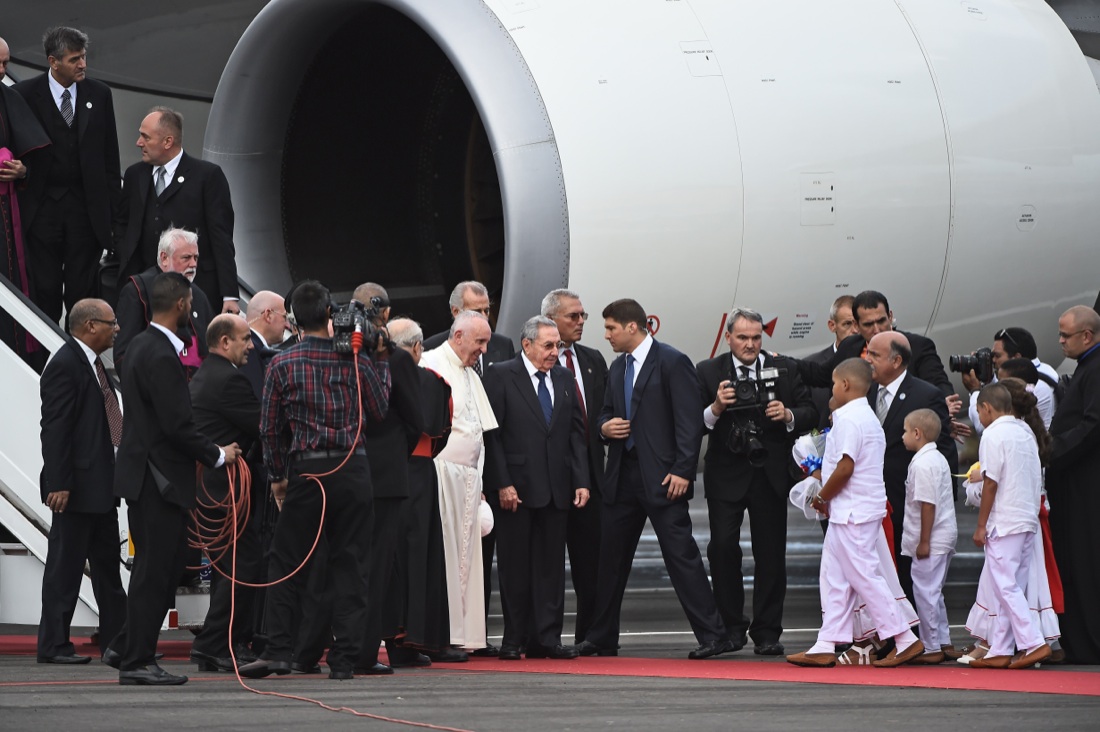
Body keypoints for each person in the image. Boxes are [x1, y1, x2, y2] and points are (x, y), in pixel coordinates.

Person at [240, 280, 390, 680]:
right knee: (351, 563)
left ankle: (279, 650)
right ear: (328, 314)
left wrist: (277, 476)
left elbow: (269, 429)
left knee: (286, 561)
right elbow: (379, 411)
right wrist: (380, 358)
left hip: (308, 471)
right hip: (353, 468)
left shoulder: (281, 363)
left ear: (294, 320)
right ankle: (344, 660)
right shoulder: (356, 359)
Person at [578, 299, 734, 660]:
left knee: (681, 557)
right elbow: (604, 412)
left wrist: (682, 470)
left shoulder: (672, 361)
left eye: (611, 328)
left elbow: (688, 422)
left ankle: (714, 635)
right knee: (610, 560)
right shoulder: (618, 367)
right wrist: (604, 427)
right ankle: (601, 637)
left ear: (632, 327)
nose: (606, 335)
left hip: (664, 477)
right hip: (623, 477)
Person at [104, 272, 240, 686]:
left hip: (148, 477)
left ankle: (128, 648)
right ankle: (136, 660)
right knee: (155, 572)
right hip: (158, 480)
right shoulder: (161, 354)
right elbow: (177, 425)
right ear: (181, 305)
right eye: (191, 305)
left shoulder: (140, 346)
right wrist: (218, 454)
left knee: (160, 568)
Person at [786, 358, 925, 668]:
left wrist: (822, 495)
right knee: (834, 577)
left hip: (853, 512)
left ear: (845, 384)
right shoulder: (866, 417)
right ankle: (826, 642)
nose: (832, 389)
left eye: (834, 384)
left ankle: (905, 638)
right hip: (852, 510)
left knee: (864, 577)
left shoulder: (850, 419)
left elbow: (845, 467)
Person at [695, 307, 817, 656]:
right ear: (728, 337)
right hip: (725, 474)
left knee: (771, 554)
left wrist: (788, 414)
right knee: (722, 548)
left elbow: (811, 412)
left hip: (769, 473)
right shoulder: (708, 371)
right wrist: (716, 407)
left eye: (756, 338)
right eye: (743, 337)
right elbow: (693, 423)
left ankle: (767, 632)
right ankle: (731, 629)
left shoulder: (784, 368)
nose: (750, 344)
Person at [484, 316, 589, 660]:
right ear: (526, 345)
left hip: (557, 488)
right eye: (548, 345)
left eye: (558, 345)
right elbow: (492, 436)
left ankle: (547, 638)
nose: (555, 352)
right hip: (515, 489)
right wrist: (502, 482)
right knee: (515, 568)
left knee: (551, 568)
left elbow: (575, 434)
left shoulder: (563, 377)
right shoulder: (501, 375)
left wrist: (581, 480)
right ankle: (514, 639)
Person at [422, 280, 514, 656]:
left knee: (469, 562)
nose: (484, 351)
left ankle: (467, 636)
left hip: (469, 481)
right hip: (441, 478)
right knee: (444, 562)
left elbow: (482, 432)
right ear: (458, 334)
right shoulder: (430, 364)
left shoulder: (470, 371)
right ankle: (442, 636)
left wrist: (483, 486)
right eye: (479, 343)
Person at [36, 298, 126, 664]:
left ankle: (118, 644)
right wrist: (59, 482)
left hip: (101, 489)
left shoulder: (93, 364)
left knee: (108, 573)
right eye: (111, 322)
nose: (116, 329)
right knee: (65, 571)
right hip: (75, 490)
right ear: (90, 326)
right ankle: (53, 646)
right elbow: (55, 429)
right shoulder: (65, 365)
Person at [13, 27, 123, 326]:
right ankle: (45, 348)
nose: (83, 64)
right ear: (53, 61)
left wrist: (114, 219)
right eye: (75, 59)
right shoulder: (23, 95)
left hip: (86, 213)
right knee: (44, 289)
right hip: (41, 210)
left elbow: (110, 159)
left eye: (84, 57)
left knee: (82, 292)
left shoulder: (99, 94)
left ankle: (79, 348)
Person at [350, 282, 427, 675]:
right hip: (387, 475)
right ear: (386, 313)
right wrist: (395, 452)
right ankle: (364, 652)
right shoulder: (396, 360)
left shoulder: (341, 353)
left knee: (347, 562)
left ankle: (335, 647)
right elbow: (416, 419)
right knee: (379, 567)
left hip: (346, 468)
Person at [187, 314, 262, 673]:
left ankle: (224, 643)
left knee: (228, 568)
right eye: (246, 339)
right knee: (242, 566)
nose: (251, 346)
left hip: (213, 488)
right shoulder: (228, 380)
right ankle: (214, 643)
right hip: (225, 490)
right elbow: (262, 424)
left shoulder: (206, 374)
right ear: (225, 342)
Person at [117, 107, 239, 313]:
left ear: (168, 141)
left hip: (196, 291)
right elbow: (122, 224)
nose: (139, 143)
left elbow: (222, 238)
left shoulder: (207, 176)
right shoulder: (134, 175)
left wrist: (230, 295)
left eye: (146, 137)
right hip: (143, 291)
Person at [865, 330, 956, 600]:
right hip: (870, 502)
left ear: (896, 361)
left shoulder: (926, 395)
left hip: (908, 504)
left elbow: (942, 450)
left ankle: (912, 626)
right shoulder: (864, 391)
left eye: (874, 355)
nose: (867, 360)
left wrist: (943, 500)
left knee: (908, 579)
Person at [541, 288, 607, 644]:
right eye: (573, 316)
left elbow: (603, 412)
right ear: (551, 320)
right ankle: (542, 636)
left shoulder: (593, 359)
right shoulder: (534, 363)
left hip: (590, 478)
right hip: (547, 479)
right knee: (546, 564)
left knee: (591, 564)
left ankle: (590, 637)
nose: (581, 322)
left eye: (583, 316)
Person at [968, 383, 1050, 669]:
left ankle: (1033, 642)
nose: (979, 418)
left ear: (986, 408)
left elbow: (991, 482)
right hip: (1027, 518)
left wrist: (981, 525)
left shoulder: (993, 434)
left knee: (1004, 585)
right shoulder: (1025, 431)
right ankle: (1001, 648)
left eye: (979, 412)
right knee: (1012, 585)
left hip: (1005, 520)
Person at [388, 317, 456, 660]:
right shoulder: (434, 383)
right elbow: (442, 432)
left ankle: (389, 636)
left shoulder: (373, 376)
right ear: (417, 347)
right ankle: (416, 640)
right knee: (420, 556)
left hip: (382, 472)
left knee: (389, 556)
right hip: (418, 473)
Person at [1047, 304, 1100, 664]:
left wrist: (1051, 451)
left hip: (1085, 486)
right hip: (1075, 483)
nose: (1061, 341)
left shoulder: (1095, 369)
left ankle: (1088, 644)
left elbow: (1093, 425)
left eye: (1066, 335)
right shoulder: (1086, 366)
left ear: (1087, 335)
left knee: (1085, 563)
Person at [113, 228, 215, 380]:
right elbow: (124, 356)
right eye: (186, 258)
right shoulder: (137, 289)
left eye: (196, 257)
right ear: (164, 258)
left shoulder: (198, 295)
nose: (193, 264)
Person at [0, 67, 50, 363]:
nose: (2, 70)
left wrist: (22, 170)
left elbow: (35, 161)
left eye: (5, 63)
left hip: (5, 214)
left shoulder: (8, 98)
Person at [900, 408, 957, 664]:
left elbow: (927, 504)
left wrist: (924, 541)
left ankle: (932, 646)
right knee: (935, 592)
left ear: (917, 433)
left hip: (932, 539)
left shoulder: (922, 464)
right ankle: (943, 641)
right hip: (944, 535)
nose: (902, 436)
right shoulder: (938, 458)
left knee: (925, 593)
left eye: (904, 431)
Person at [963, 327, 1059, 431]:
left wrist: (974, 390)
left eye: (997, 356)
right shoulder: (1044, 369)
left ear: (1016, 357)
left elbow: (986, 425)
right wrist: (988, 378)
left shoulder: (1033, 386)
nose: (993, 360)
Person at [805, 295, 857, 430]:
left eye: (858, 323)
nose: (855, 330)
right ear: (832, 326)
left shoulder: (874, 363)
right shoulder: (812, 365)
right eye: (848, 324)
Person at [240, 290, 287, 400]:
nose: (287, 325)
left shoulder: (252, 347)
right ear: (268, 315)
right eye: (285, 317)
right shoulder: (249, 349)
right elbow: (257, 398)